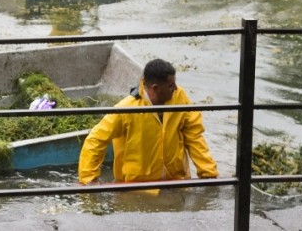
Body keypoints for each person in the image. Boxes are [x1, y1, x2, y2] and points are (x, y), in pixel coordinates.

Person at [78, 58, 218, 186]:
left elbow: (194, 136)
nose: (175, 88)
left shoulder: (179, 97)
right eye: (170, 85)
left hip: (176, 182)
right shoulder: (126, 109)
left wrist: (208, 173)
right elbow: (96, 139)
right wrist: (89, 180)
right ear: (155, 88)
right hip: (137, 187)